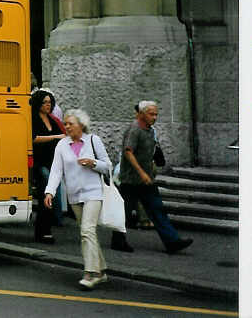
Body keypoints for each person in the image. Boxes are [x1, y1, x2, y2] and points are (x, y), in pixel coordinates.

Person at [111, 100, 193, 254]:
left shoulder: (150, 130)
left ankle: (172, 241)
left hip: (146, 180)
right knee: (124, 212)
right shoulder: (134, 130)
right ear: (142, 114)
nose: (154, 117)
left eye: (156, 114)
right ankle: (117, 241)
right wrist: (141, 172)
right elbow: (128, 152)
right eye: (151, 114)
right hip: (130, 180)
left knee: (157, 209)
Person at [44, 109, 112, 290]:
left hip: (94, 192)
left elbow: (108, 166)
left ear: (81, 125)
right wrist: (49, 192)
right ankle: (101, 271)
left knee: (87, 231)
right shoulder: (62, 145)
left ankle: (90, 273)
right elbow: (56, 170)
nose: (67, 127)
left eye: (70, 124)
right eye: (65, 124)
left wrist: (93, 163)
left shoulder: (93, 140)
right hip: (74, 194)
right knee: (87, 232)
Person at [31, 89, 65, 243]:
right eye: (44, 102)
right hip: (39, 162)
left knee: (50, 194)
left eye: (49, 102)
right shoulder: (33, 119)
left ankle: (47, 226)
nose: (48, 105)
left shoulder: (52, 120)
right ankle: (44, 230)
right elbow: (33, 138)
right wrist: (55, 137)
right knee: (46, 193)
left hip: (52, 162)